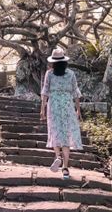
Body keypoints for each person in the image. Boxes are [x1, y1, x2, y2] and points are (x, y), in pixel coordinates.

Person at [40, 47, 82, 179]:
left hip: (53, 106)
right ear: (65, 61)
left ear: (53, 62)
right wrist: (78, 109)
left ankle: (57, 156)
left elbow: (45, 92)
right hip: (67, 105)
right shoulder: (71, 74)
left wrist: (42, 110)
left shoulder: (49, 74)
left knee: (55, 132)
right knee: (66, 136)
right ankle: (65, 168)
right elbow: (75, 93)